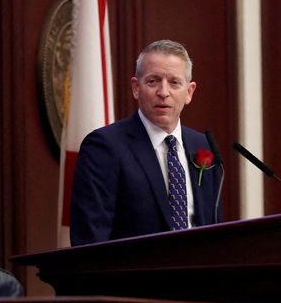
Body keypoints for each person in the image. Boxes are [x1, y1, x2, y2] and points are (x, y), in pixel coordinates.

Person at [70, 39, 221, 245]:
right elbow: (91, 238)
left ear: (189, 92)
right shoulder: (105, 146)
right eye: (153, 81)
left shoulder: (202, 145)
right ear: (136, 87)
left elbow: (214, 231)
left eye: (174, 82)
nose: (163, 92)